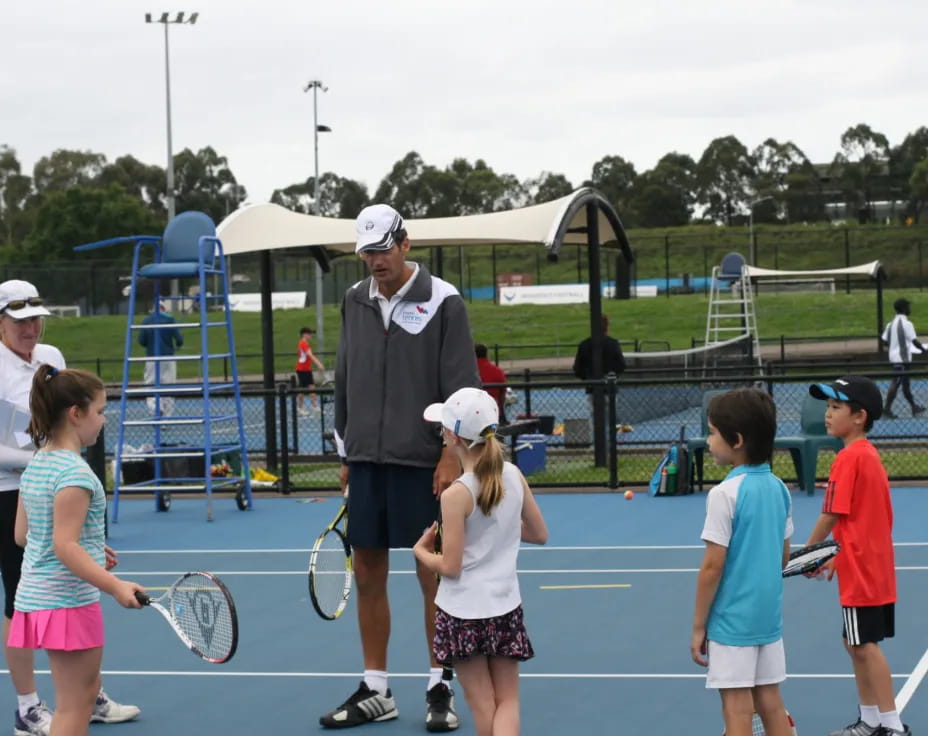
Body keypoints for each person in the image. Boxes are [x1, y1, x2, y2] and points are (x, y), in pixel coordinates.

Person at [323, 204, 480, 731]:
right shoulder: (354, 300)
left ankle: (441, 685)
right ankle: (376, 688)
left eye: (383, 249)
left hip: (425, 463)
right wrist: (347, 453)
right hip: (366, 461)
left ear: (406, 244)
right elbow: (345, 378)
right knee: (367, 572)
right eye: (367, 252)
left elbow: (462, 387)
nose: (375, 261)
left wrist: (450, 454)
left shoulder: (445, 301)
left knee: (432, 576)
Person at [0, 279, 140, 736]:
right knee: (72, 708)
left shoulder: (52, 365)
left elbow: (30, 536)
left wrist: (90, 547)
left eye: (36, 318)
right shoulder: (74, 474)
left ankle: (73, 698)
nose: (32, 327)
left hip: (37, 584)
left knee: (77, 693)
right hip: (65, 597)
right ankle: (28, 707)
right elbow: (62, 545)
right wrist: (114, 585)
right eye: (101, 411)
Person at [413, 387, 547, 736]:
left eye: (443, 428)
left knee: (482, 704)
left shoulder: (456, 494)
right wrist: (500, 528)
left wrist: (422, 553)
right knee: (508, 702)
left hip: (462, 612)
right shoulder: (513, 475)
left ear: (455, 437)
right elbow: (539, 533)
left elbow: (451, 566)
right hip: (506, 607)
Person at [805, 376, 909, 736]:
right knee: (855, 642)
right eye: (828, 407)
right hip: (869, 565)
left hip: (864, 570)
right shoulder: (867, 455)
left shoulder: (849, 458)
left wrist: (808, 553)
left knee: (863, 645)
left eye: (836, 408)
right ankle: (871, 720)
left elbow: (831, 514)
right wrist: (835, 556)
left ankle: (891, 725)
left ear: (859, 416)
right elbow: (858, 520)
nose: (828, 414)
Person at [690, 388, 794, 736]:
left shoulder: (723, 495)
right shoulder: (779, 488)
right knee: (771, 702)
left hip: (732, 621)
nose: (708, 441)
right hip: (768, 618)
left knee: (736, 710)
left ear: (735, 440)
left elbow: (712, 567)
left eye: (712, 432)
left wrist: (698, 625)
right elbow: (783, 554)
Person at [572, 315, 626, 446]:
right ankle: (613, 443)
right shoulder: (612, 344)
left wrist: (588, 378)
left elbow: (577, 368)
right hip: (610, 387)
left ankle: (599, 443)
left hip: (592, 388)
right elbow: (621, 365)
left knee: (596, 417)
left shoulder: (584, 345)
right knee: (611, 416)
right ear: (607, 327)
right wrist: (612, 376)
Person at [137, 301, 184, 417]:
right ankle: (166, 416)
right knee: (168, 384)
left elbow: (141, 341)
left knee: (151, 384)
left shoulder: (147, 321)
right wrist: (177, 345)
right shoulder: (170, 319)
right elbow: (179, 339)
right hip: (168, 356)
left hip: (152, 357)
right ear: (164, 308)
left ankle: (155, 408)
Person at [880, 298, 925, 418]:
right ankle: (886, 409)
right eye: (908, 307)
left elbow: (884, 342)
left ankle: (914, 407)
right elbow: (914, 341)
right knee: (896, 382)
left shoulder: (890, 324)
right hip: (902, 359)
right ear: (904, 308)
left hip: (895, 358)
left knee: (905, 384)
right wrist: (924, 350)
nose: (910, 309)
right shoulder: (907, 324)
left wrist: (894, 345)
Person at [295, 326, 325, 416]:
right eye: (309, 334)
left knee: (312, 387)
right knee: (302, 389)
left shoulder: (302, 344)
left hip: (306, 369)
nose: (311, 335)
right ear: (304, 335)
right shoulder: (303, 344)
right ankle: (300, 408)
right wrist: (319, 364)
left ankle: (315, 406)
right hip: (302, 370)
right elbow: (310, 355)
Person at [474, 344, 508, 423]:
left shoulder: (469, 371)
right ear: (486, 354)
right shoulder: (497, 371)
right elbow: (503, 393)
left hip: (474, 415)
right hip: (493, 413)